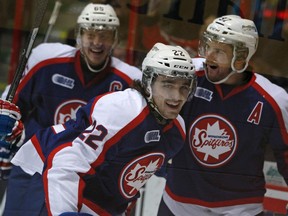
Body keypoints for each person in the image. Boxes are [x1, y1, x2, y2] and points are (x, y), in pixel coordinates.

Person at [7, 42, 196, 215]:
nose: (177, 96)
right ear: (148, 83)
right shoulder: (123, 110)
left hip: (95, 198)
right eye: (168, 85)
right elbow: (65, 163)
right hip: (49, 176)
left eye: (184, 87)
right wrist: (65, 213)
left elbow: (128, 183)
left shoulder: (176, 130)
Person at [0, 2, 142, 214]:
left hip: (84, 176)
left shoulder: (129, 81)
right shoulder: (46, 59)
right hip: (35, 163)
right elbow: (11, 103)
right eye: (90, 34)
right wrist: (8, 126)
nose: (96, 42)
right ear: (78, 35)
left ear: (115, 39)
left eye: (105, 35)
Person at [157, 15, 288, 216]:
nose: (209, 55)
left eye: (219, 51)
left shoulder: (273, 99)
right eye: (208, 46)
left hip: (240, 208)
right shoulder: (186, 76)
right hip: (179, 203)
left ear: (242, 56)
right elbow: (150, 112)